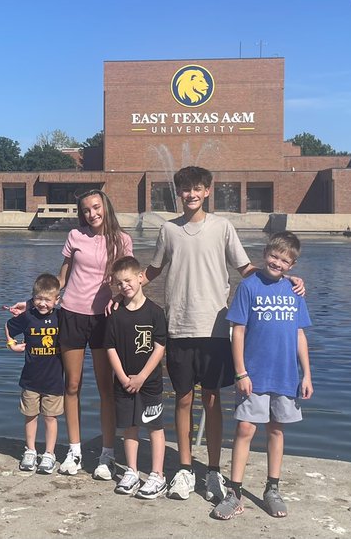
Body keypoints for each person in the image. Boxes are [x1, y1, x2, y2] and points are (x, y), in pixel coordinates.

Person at [143, 166, 304, 503]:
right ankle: (185, 468)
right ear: (179, 193)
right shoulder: (168, 231)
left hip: (215, 329)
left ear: (207, 190)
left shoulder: (222, 227)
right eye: (185, 189)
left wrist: (283, 278)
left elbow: (245, 268)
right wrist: (124, 290)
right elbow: (154, 270)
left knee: (212, 399)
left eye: (197, 188)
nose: (191, 195)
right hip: (178, 327)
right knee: (183, 399)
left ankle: (214, 471)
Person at [9, 189, 133, 478]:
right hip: (72, 315)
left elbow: (127, 281)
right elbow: (60, 280)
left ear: (106, 206)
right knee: (72, 385)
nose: (92, 214)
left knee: (106, 387)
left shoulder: (122, 240)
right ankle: (74, 451)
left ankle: (106, 454)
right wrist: (31, 304)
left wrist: (123, 301)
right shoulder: (76, 237)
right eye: (86, 210)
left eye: (96, 207)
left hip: (104, 318)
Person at [212, 231, 312, 519]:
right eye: (273, 256)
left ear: (292, 266)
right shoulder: (249, 287)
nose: (277, 262)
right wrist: (241, 371)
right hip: (253, 375)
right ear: (264, 254)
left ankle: (272, 488)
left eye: (284, 260)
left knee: (276, 429)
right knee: (245, 429)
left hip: (285, 375)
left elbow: (299, 334)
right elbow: (238, 331)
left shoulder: (294, 291)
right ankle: (234, 492)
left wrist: (306, 374)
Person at [104, 256, 168, 498]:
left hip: (149, 382)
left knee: (154, 426)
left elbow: (160, 346)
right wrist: (121, 377)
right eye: (119, 283)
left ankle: (157, 475)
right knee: (129, 426)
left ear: (141, 277)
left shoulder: (155, 312)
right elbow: (110, 347)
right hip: (123, 383)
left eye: (128, 280)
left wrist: (141, 376)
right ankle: (131, 471)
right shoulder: (115, 313)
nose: (124, 286)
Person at [5, 273, 65, 474]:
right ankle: (30, 450)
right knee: (30, 415)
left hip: (54, 380)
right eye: (38, 298)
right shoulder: (28, 317)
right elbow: (8, 326)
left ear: (57, 300)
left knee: (51, 417)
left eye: (48, 300)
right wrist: (11, 344)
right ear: (33, 298)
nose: (42, 303)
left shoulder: (61, 317)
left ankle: (49, 453)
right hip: (30, 379)